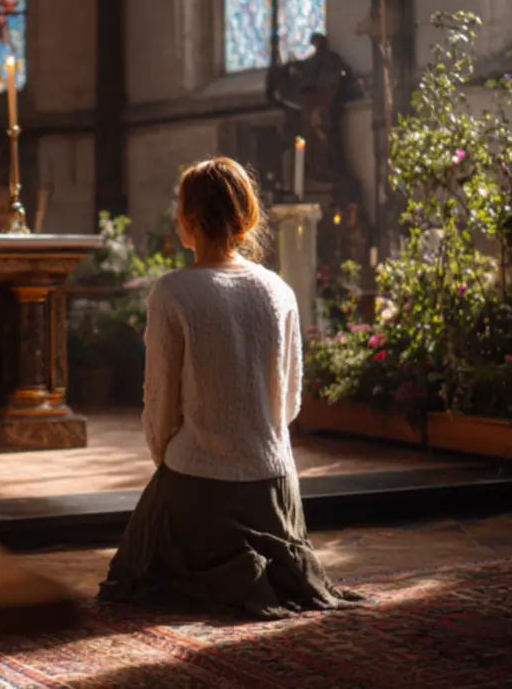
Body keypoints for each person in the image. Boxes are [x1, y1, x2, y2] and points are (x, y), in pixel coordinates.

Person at [97, 156, 363, 619]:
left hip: (199, 489)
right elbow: (289, 403)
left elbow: (160, 405)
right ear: (246, 216)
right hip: (274, 491)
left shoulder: (173, 292)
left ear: (190, 217)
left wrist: (170, 465)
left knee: (136, 573)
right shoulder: (278, 290)